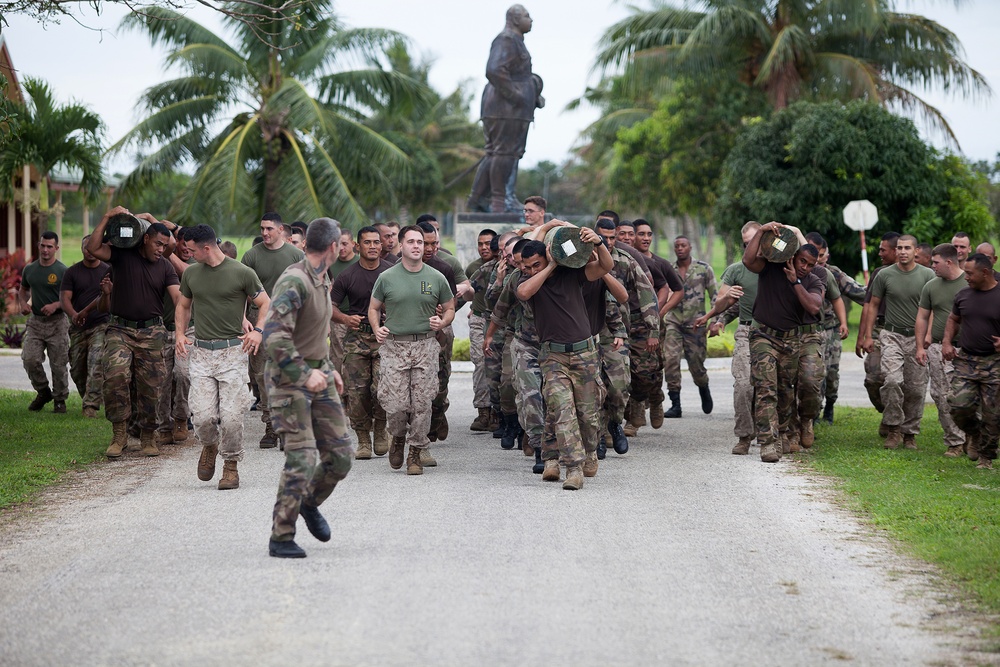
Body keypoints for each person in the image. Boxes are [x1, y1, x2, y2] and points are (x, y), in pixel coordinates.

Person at [265, 218, 354, 558]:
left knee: (340, 457)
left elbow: (314, 332)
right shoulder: (295, 280)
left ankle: (308, 502)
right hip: (290, 382)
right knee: (301, 458)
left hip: (320, 376)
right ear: (333, 247)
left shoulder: (322, 277)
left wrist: (328, 369)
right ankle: (281, 536)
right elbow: (274, 336)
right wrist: (305, 374)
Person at [516, 226, 612, 489]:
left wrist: (599, 243)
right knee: (562, 410)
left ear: (548, 255)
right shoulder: (525, 280)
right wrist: (548, 267)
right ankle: (572, 468)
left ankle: (590, 451)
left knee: (588, 416)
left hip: (585, 354)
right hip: (553, 356)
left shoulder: (572, 274)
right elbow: (524, 293)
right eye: (528, 266)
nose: (532, 269)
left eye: (537, 264)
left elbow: (605, 266)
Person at [175, 225, 268, 490]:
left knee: (231, 417)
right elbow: (183, 305)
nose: (187, 253)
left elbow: (265, 303)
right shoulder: (192, 273)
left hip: (232, 354)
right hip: (202, 353)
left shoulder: (242, 273)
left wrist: (258, 331)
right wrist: (180, 334)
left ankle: (231, 465)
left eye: (191, 249)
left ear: (206, 248)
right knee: (202, 417)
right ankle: (210, 445)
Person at [86, 207, 181, 458]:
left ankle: (148, 435)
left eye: (165, 246)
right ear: (146, 239)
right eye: (158, 244)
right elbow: (94, 249)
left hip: (152, 333)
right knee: (116, 378)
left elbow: (178, 298)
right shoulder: (122, 255)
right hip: (120, 329)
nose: (162, 250)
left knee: (152, 386)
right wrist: (106, 217)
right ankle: (120, 434)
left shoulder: (165, 268)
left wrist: (183, 325)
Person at [369, 225, 455, 476]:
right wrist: (377, 328)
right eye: (412, 242)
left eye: (420, 242)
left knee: (422, 403)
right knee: (395, 404)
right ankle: (397, 437)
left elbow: (449, 307)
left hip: (426, 346)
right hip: (395, 346)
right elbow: (373, 308)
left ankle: (416, 451)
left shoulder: (436, 277)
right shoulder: (387, 277)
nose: (417, 246)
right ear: (401, 245)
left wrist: (444, 321)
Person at [743, 222, 824, 463]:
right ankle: (768, 443)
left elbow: (813, 306)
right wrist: (760, 232)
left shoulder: (812, 280)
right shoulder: (771, 266)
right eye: (802, 262)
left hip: (791, 342)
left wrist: (795, 282)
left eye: (810, 265)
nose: (805, 268)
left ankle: (782, 433)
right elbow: (748, 261)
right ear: (793, 256)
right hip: (763, 337)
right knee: (766, 388)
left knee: (786, 393)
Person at [467, 4, 544, 213]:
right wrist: (517, 95)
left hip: (509, 108)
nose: (531, 19)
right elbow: (493, 70)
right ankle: (500, 202)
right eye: (528, 16)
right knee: (504, 153)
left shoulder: (515, 41)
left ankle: (479, 199)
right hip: (505, 108)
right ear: (515, 19)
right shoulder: (507, 39)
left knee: (497, 153)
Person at [861, 234, 935, 449]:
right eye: (900, 248)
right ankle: (893, 428)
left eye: (907, 248)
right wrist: (868, 335)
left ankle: (909, 433)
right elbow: (873, 305)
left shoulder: (927, 275)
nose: (903, 251)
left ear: (915, 252)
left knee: (916, 388)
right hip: (891, 335)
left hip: (917, 337)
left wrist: (929, 335)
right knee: (892, 380)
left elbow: (933, 309)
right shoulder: (884, 275)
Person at [696, 221, 761, 455]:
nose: (749, 248)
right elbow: (722, 302)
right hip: (746, 332)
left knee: (772, 386)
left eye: (753, 242)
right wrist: (719, 315)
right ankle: (744, 435)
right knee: (743, 385)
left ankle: (776, 434)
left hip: (774, 333)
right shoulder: (736, 270)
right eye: (745, 244)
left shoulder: (778, 267)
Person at [241, 211, 305, 449]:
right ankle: (271, 426)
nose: (265, 233)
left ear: (281, 230)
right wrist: (242, 321)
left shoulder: (297, 255)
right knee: (263, 376)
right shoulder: (251, 257)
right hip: (259, 323)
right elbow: (240, 294)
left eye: (269, 228)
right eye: (262, 229)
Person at [330, 226, 393, 459]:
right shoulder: (347, 275)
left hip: (384, 338)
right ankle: (363, 438)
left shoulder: (391, 272)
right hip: (356, 339)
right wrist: (346, 318)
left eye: (377, 242)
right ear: (358, 246)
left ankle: (380, 428)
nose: (374, 246)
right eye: (368, 242)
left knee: (382, 389)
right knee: (357, 393)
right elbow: (330, 307)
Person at [942, 253, 1000, 469]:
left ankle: (986, 458)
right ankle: (974, 434)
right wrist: (947, 342)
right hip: (967, 360)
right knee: (958, 405)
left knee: (993, 414)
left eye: (969, 273)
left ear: (985, 272)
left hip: (995, 363)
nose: (965, 277)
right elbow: (953, 319)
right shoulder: (963, 295)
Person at [805, 231, 866, 424]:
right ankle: (811, 415)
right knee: (812, 374)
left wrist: (882, 294)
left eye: (821, 255)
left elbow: (859, 292)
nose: (818, 260)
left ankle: (830, 405)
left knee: (830, 374)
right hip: (806, 330)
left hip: (830, 330)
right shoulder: (797, 270)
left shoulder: (834, 273)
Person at [915, 244, 968, 457]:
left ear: (948, 262)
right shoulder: (931, 286)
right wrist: (920, 346)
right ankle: (955, 441)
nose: (932, 265)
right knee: (940, 394)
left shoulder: (969, 282)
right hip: (937, 347)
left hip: (967, 348)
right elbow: (922, 317)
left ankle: (975, 436)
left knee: (968, 396)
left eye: (935, 262)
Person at [662, 235, 717, 417]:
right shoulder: (669, 269)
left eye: (683, 245)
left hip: (696, 324)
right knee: (670, 360)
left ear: (690, 247)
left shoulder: (703, 269)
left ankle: (704, 387)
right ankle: (675, 403)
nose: (680, 248)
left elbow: (715, 296)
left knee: (696, 364)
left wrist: (715, 320)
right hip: (674, 322)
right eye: (677, 245)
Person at [60, 234, 111, 418]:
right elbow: (64, 297)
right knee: (77, 369)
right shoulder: (72, 272)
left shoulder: (107, 270)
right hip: (78, 327)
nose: (89, 252)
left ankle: (90, 406)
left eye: (92, 248)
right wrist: (73, 314)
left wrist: (86, 312)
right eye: (86, 248)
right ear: (82, 249)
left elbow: (107, 298)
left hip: (101, 324)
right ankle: (91, 396)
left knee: (95, 362)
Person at [20, 231, 69, 413]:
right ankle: (43, 392)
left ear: (56, 248)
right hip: (36, 323)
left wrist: (56, 305)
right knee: (30, 359)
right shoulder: (30, 269)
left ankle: (60, 399)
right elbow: (23, 289)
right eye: (43, 245)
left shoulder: (63, 271)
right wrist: (23, 303)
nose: (45, 250)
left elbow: (69, 297)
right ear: (38, 246)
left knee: (58, 364)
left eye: (50, 246)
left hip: (57, 322)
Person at [857, 231, 900, 413]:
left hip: (906, 331)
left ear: (896, 251)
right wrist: (862, 336)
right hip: (880, 330)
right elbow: (868, 306)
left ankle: (897, 422)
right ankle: (888, 412)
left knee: (899, 380)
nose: (880, 253)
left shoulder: (919, 273)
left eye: (883, 250)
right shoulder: (879, 274)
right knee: (874, 378)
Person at [467, 228, 498, 431]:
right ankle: (483, 411)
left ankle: (498, 412)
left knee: (498, 367)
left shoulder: (506, 265)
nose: (484, 247)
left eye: (488, 243)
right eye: (480, 244)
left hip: (500, 323)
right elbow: (466, 292)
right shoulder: (473, 268)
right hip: (479, 320)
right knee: (480, 364)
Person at [328, 227, 360, 377]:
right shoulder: (330, 264)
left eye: (345, 244)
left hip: (358, 318)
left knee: (356, 359)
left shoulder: (361, 263)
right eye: (338, 244)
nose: (341, 248)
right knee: (337, 357)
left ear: (353, 244)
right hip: (337, 317)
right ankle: (339, 395)